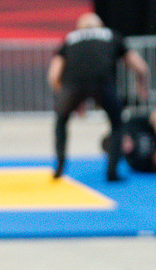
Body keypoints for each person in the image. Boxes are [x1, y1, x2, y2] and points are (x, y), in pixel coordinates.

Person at [48, 12, 150, 181]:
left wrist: (68, 99)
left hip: (73, 86)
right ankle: (112, 171)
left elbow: (53, 75)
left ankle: (59, 166)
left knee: (61, 121)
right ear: (100, 25)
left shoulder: (70, 39)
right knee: (117, 124)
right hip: (102, 84)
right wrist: (142, 86)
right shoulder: (111, 35)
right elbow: (140, 66)